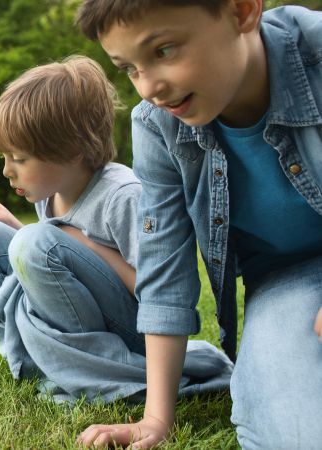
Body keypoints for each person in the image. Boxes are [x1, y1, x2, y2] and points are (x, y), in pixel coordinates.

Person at [74, 1, 322, 448]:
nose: (149, 86)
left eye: (165, 50)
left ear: (242, 11)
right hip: (286, 281)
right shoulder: (157, 126)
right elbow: (163, 265)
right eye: (129, 68)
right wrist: (155, 418)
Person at [0, 56, 232, 404]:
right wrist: (12, 226)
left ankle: (87, 375)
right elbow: (54, 258)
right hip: (80, 314)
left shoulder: (121, 196)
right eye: (5, 158)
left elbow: (157, 289)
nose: (7, 172)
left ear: (72, 151)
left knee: (34, 240)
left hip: (130, 331)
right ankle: (24, 355)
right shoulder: (51, 193)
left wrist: (81, 243)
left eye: (20, 159)